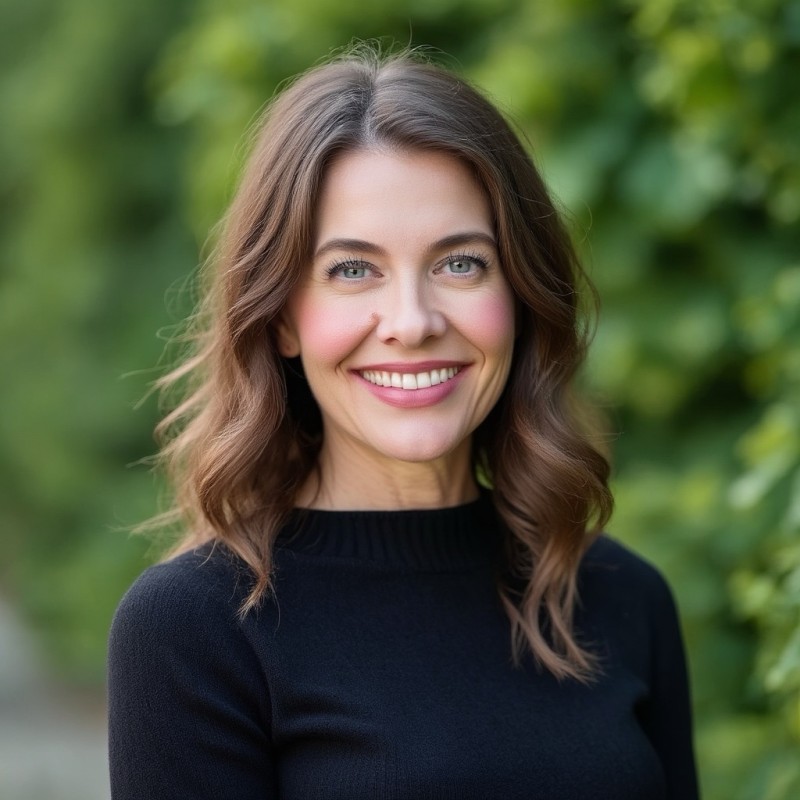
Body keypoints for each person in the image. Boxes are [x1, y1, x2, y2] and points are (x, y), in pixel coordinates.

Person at [107, 45, 699, 799]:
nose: (413, 322)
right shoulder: (196, 629)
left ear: (518, 295)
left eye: (461, 264)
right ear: (283, 318)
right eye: (353, 270)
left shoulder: (622, 595)